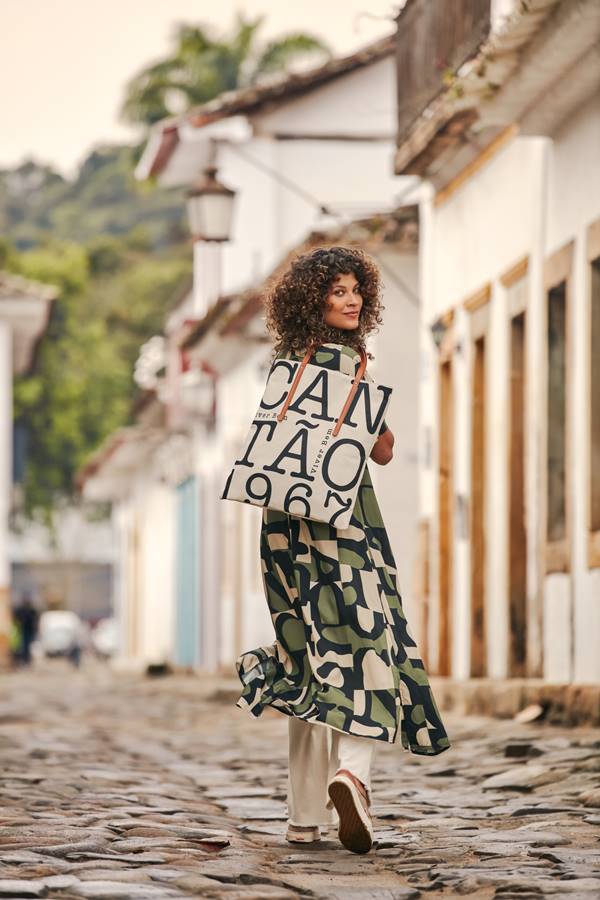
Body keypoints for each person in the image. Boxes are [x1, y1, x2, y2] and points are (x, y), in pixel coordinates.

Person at [235, 246, 450, 854]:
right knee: (368, 648)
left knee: (305, 656)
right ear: (313, 300)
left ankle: (303, 818)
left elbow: (269, 455)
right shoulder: (348, 369)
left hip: (284, 532)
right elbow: (378, 455)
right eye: (338, 292)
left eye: (356, 290)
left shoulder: (285, 369)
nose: (352, 300)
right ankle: (353, 771)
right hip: (344, 529)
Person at [12, 592, 39, 665]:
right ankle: (23, 659)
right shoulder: (21, 609)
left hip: (29, 630)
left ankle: (26, 659)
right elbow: (16, 617)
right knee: (22, 646)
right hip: (22, 630)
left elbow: (35, 619)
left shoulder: (31, 610)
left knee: (27, 646)